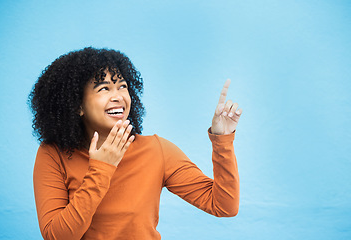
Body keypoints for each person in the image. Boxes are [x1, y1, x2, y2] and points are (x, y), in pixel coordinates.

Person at [29, 47, 243, 240]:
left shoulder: (156, 150)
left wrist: (222, 140)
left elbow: (224, 206)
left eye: (122, 86)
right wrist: (101, 168)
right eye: (104, 89)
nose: (118, 96)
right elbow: (58, 237)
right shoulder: (53, 154)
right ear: (77, 105)